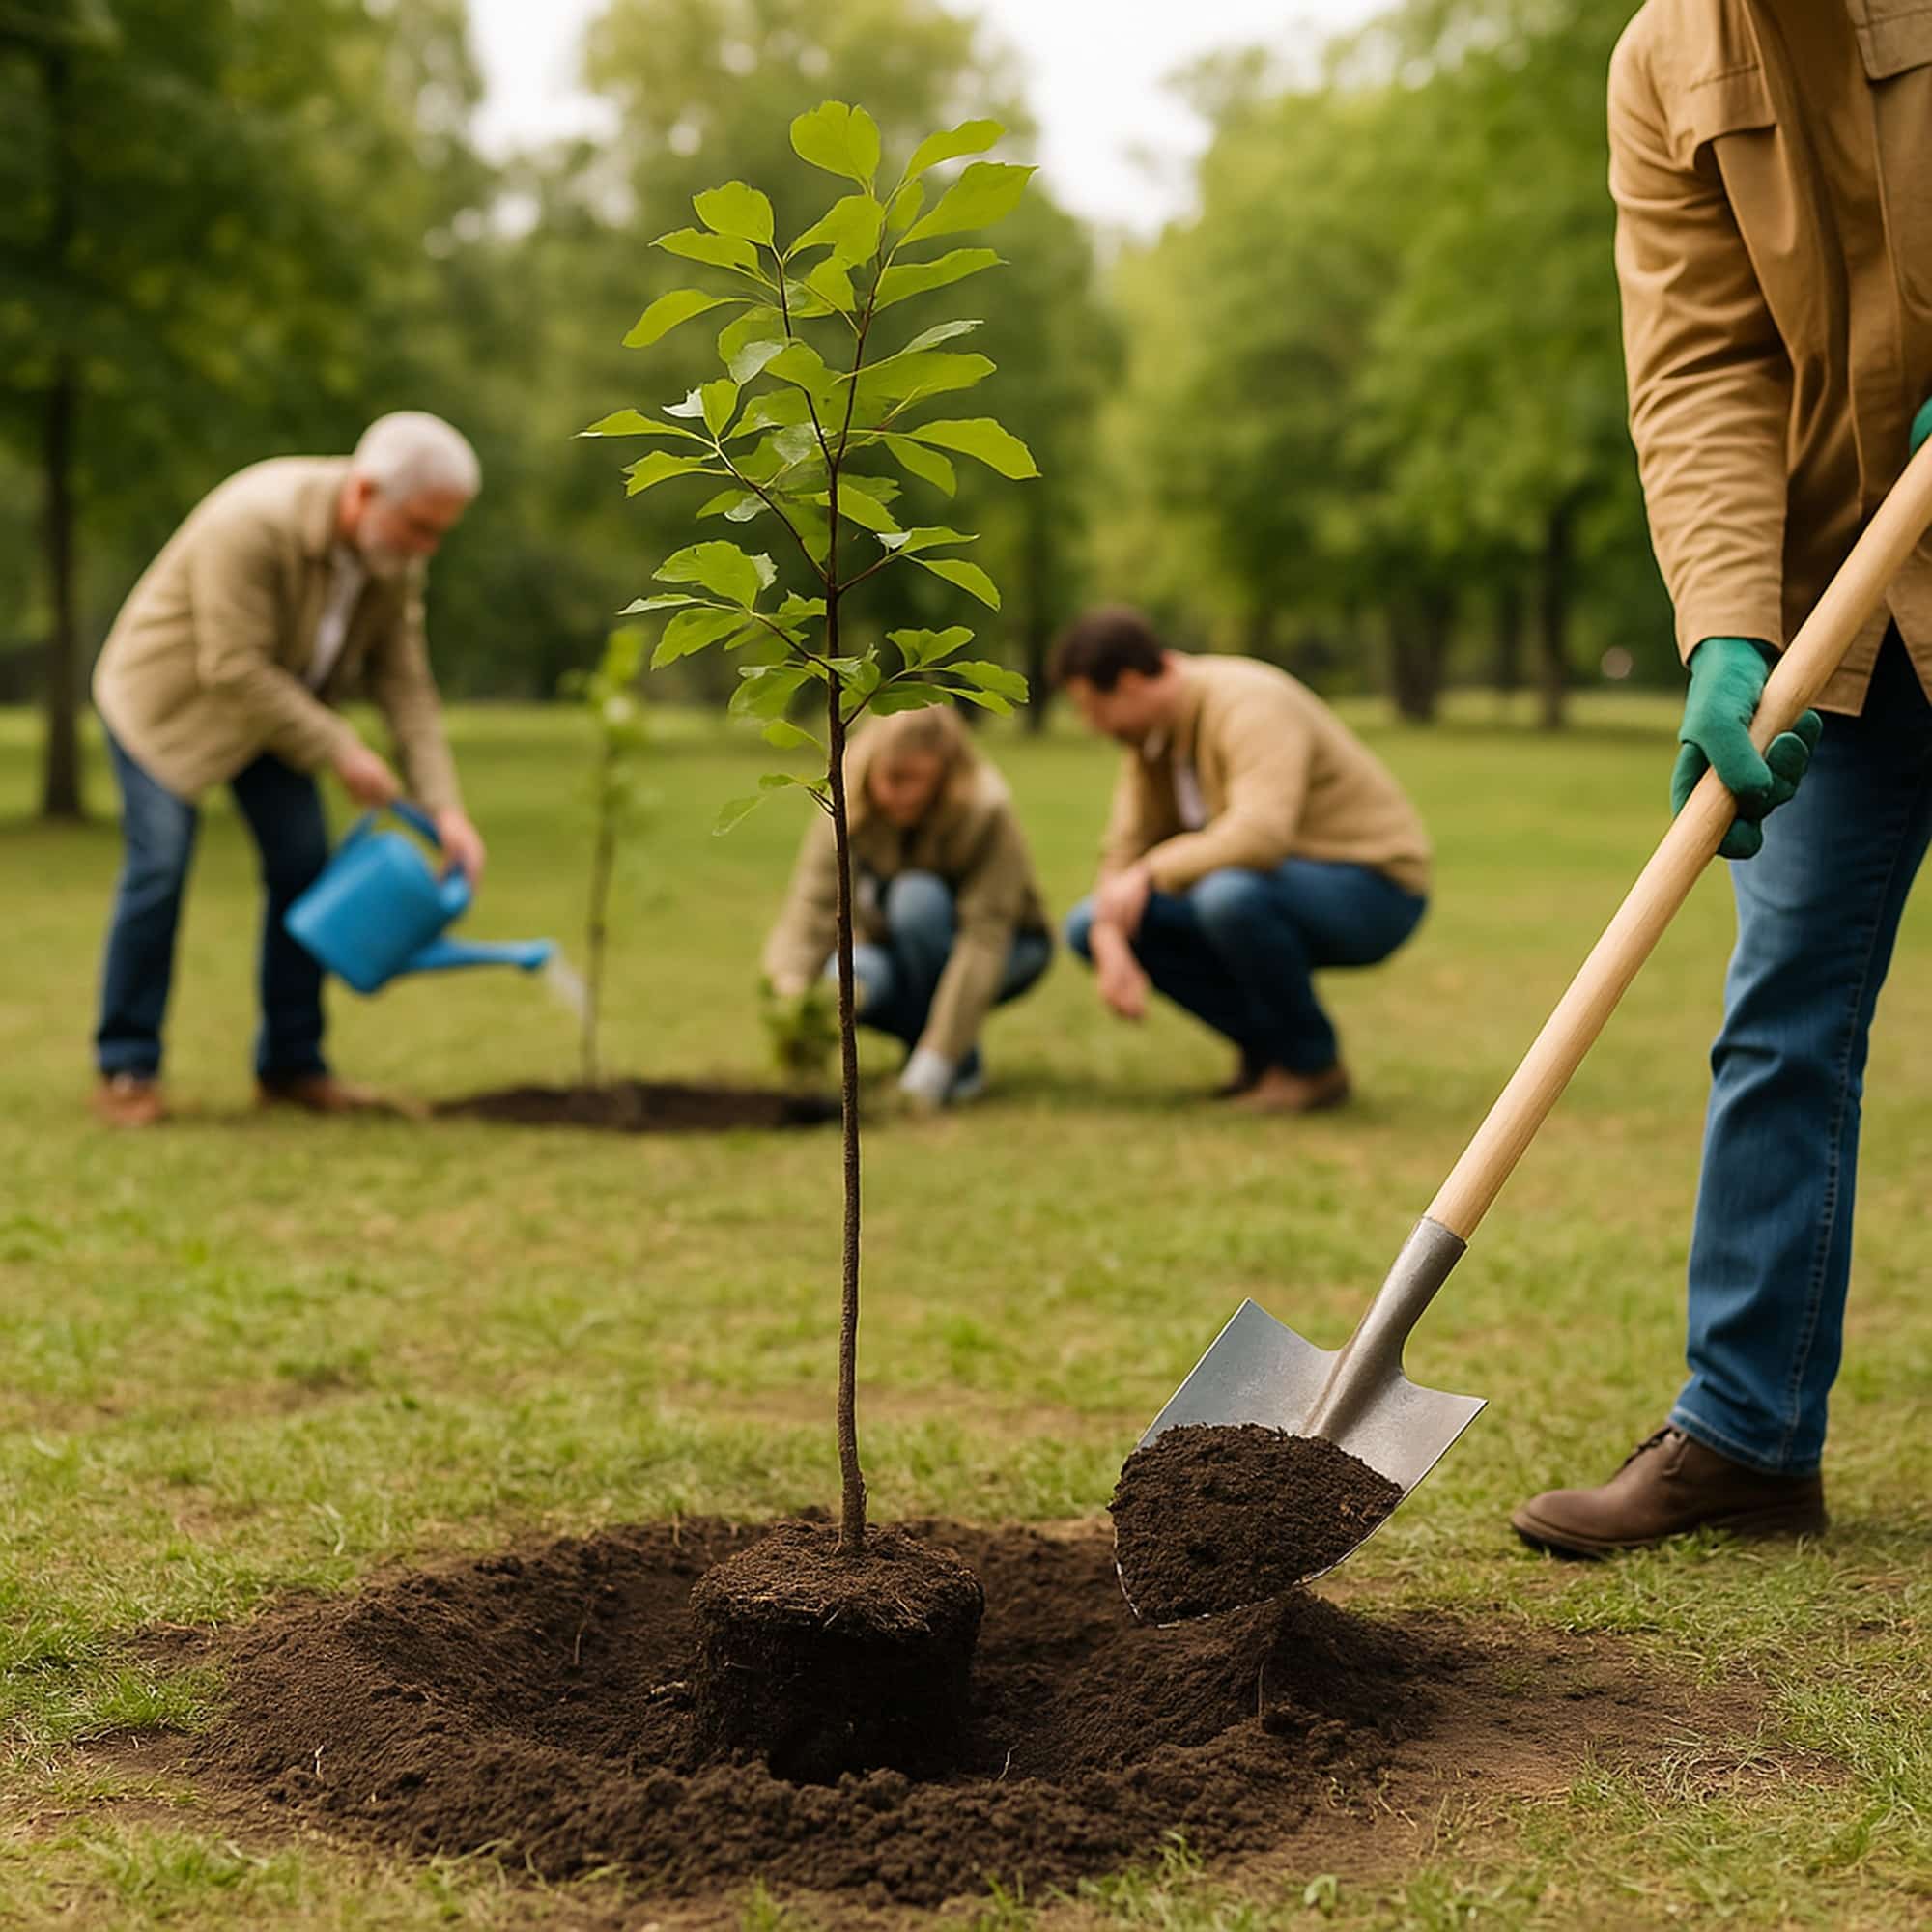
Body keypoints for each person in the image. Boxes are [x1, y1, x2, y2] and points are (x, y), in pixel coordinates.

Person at [1512, 0, 1932, 1555]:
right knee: (1783, 1008)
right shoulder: (1661, 59)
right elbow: (1700, 368)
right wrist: (1727, 636)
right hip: (1853, 601)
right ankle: (1749, 1437)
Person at [90, 412, 489, 1127]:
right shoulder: (253, 521)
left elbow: (405, 686)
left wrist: (447, 809)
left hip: (274, 721)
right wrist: (338, 747)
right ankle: (126, 1067)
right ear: (365, 492)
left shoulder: (393, 563)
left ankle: (292, 1065)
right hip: (168, 708)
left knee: (305, 865)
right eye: (420, 527)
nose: (426, 547)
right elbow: (232, 665)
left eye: (440, 533)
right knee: (159, 868)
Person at [1054, 609, 1430, 1112]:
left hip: (1374, 887)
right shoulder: (1150, 741)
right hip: (1267, 886)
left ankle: (1311, 1066)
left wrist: (1148, 873)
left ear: (1128, 684)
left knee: (1227, 895)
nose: (1089, 725)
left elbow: (1261, 835)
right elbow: (1123, 845)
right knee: (1089, 923)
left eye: (1090, 706)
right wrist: (1108, 930)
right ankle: (1271, 1055)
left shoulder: (1248, 702)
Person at [762, 707, 1052, 1108]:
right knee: (848, 980)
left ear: (944, 775)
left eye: (916, 780)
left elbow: (984, 939)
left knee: (917, 899)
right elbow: (812, 907)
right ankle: (943, 1051)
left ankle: (949, 1059)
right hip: (888, 946)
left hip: (1009, 949)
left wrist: (931, 1070)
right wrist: (792, 996)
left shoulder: (985, 808)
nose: (901, 794)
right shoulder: (846, 800)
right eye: (892, 778)